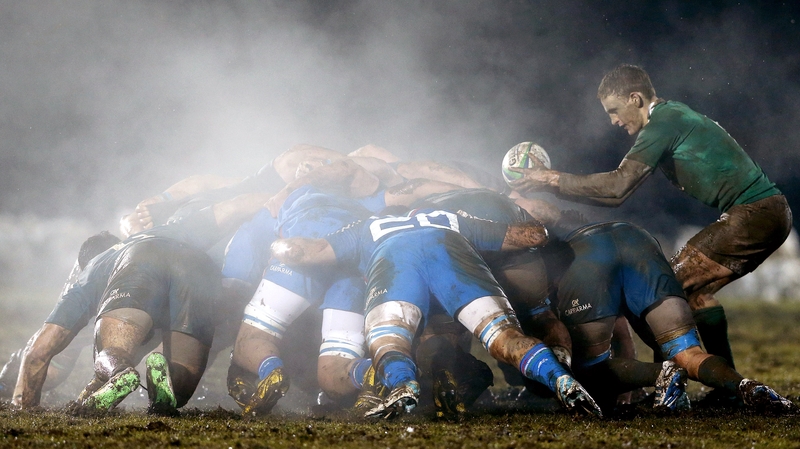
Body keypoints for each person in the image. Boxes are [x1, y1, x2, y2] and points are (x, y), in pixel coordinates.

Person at [509, 64, 792, 372]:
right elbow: (614, 196)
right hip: (764, 212)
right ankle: (719, 381)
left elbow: (617, 188)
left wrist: (552, 180)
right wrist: (555, 186)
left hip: (755, 212)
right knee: (694, 295)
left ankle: (670, 381)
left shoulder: (663, 123)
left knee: (666, 289)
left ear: (636, 99)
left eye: (614, 110)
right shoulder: (671, 117)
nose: (613, 121)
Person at [270, 208, 603, 419]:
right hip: (450, 249)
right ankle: (559, 377)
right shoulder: (452, 216)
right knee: (504, 337)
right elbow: (531, 236)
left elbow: (302, 252)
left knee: (390, 343)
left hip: (396, 260)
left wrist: (278, 244)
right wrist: (542, 222)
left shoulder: (366, 228)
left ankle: (403, 386)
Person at [12, 193, 269, 413]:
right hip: (200, 270)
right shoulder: (171, 227)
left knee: (114, 356)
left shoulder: (91, 272)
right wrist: (287, 199)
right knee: (179, 389)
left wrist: (25, 406)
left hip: (139, 263)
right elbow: (234, 205)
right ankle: (158, 373)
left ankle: (119, 370)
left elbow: (38, 353)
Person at [535, 221, 796, 414]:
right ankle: (747, 387)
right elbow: (624, 335)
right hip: (639, 238)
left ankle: (663, 375)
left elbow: (616, 342)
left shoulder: (550, 268)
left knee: (590, 370)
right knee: (689, 354)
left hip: (589, 257)